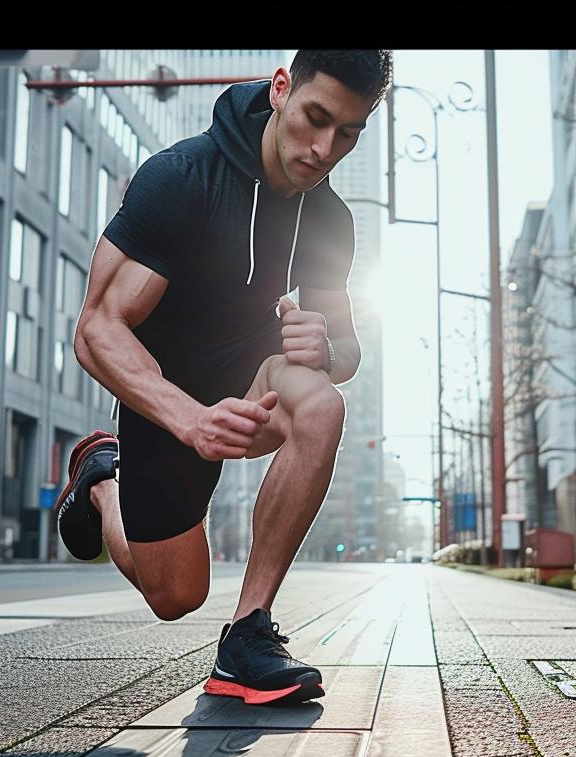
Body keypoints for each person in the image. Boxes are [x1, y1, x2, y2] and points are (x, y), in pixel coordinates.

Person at [56, 51, 392, 706]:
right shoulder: (181, 179)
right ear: (281, 89)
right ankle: (103, 478)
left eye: (347, 133)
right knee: (176, 595)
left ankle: (247, 636)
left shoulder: (329, 220)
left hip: (253, 379)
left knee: (321, 405)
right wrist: (186, 419)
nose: (325, 149)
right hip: (165, 401)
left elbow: (348, 351)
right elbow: (96, 329)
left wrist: (327, 351)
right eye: (317, 119)